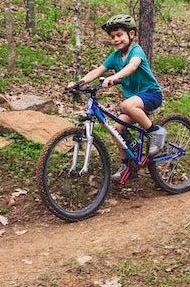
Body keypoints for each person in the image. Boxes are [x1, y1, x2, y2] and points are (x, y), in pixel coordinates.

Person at [67, 14, 166, 180]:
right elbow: (97, 71)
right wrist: (79, 83)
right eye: (112, 37)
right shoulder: (114, 56)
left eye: (119, 35)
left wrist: (114, 77)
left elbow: (133, 66)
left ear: (131, 34)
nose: (116, 39)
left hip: (151, 94)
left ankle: (156, 132)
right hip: (134, 101)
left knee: (126, 106)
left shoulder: (136, 50)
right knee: (117, 130)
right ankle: (129, 166)